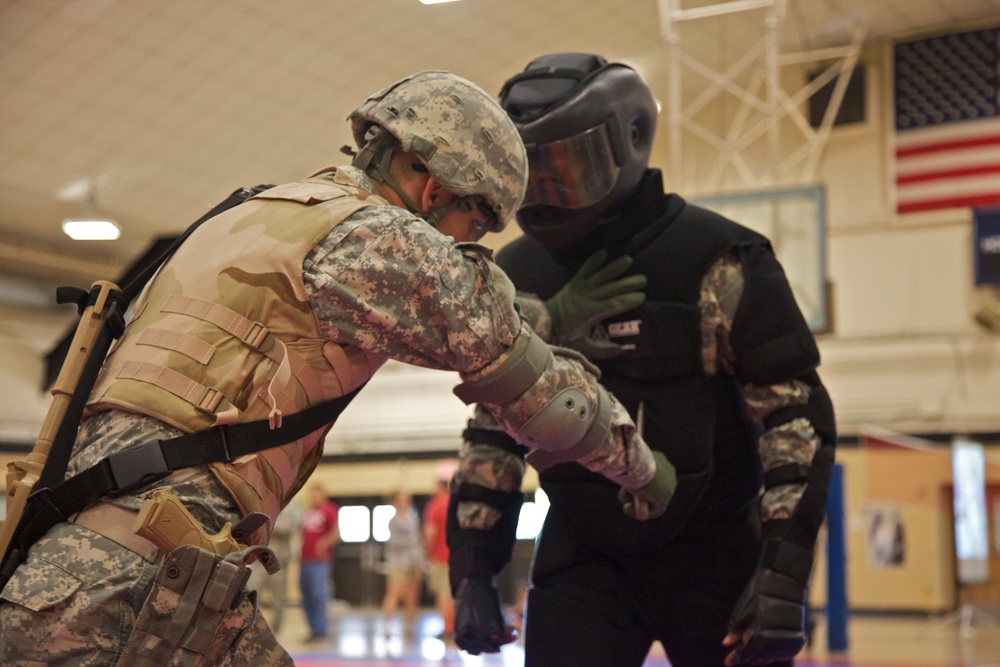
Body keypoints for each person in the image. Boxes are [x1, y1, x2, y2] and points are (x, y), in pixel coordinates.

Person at [0, 68, 676, 665]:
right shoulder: (382, 237)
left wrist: (543, 314)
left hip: (64, 573)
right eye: (476, 224)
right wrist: (646, 469)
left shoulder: (254, 212)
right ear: (436, 187)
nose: (470, 242)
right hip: (139, 593)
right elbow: (547, 400)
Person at [447, 53, 837, 667]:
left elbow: (795, 421)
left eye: (565, 166)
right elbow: (494, 430)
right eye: (530, 171)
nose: (545, 194)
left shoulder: (721, 258)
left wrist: (782, 573)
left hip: (720, 555)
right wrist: (472, 570)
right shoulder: (509, 278)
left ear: (629, 139)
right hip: (583, 558)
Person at [248, 495, 303, 634]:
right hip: (258, 557)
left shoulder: (292, 504)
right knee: (252, 593)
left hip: (278, 560)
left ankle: (275, 630)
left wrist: (266, 523)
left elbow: (289, 527)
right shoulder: (259, 499)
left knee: (279, 598)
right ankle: (254, 627)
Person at [380, 490, 424, 637]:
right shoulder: (393, 521)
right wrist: (412, 542)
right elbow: (395, 542)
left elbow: (417, 539)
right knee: (394, 593)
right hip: (398, 562)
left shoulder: (413, 516)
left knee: (412, 595)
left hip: (414, 562)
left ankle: (409, 626)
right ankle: (387, 627)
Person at [299, 484, 340, 642]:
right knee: (306, 595)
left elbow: (336, 533)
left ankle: (321, 629)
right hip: (305, 559)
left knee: (318, 594)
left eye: (316, 494)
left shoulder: (328, 510)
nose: (313, 498)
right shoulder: (307, 512)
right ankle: (312, 629)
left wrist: (324, 543)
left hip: (319, 562)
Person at [424, 466, 455, 639]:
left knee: (443, 593)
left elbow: (430, 532)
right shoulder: (455, 503)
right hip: (455, 555)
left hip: (440, 556)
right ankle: (454, 625)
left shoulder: (435, 505)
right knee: (453, 592)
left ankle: (448, 628)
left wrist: (427, 553)